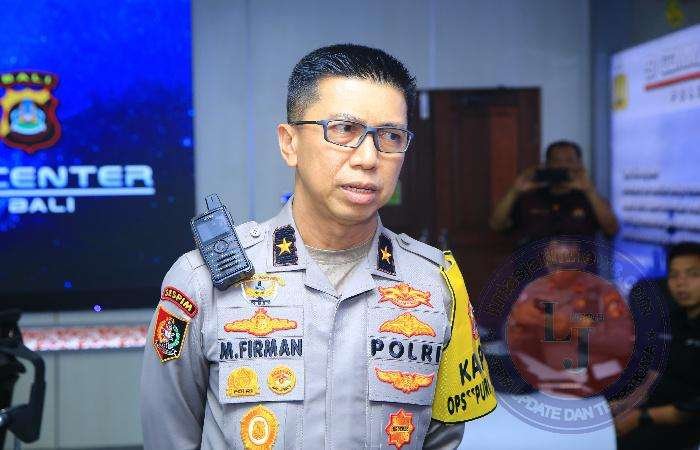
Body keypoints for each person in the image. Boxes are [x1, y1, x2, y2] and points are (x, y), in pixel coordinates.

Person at [140, 44, 496, 450]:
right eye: (343, 130)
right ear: (289, 143)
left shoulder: (434, 285)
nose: (368, 158)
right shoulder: (202, 280)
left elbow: (443, 437)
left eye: (391, 136)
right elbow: (169, 433)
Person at [614, 242, 700, 449]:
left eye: (693, 274)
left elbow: (693, 406)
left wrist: (641, 417)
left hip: (684, 419)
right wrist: (625, 403)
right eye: (674, 275)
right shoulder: (673, 320)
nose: (681, 283)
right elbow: (654, 374)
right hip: (653, 408)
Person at [489, 140, 618, 246]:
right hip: (534, 268)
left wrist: (589, 191)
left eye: (569, 161)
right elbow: (496, 225)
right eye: (557, 161)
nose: (563, 166)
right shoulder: (529, 198)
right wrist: (514, 191)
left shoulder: (591, 198)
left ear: (579, 164)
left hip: (578, 268)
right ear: (547, 164)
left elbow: (611, 229)